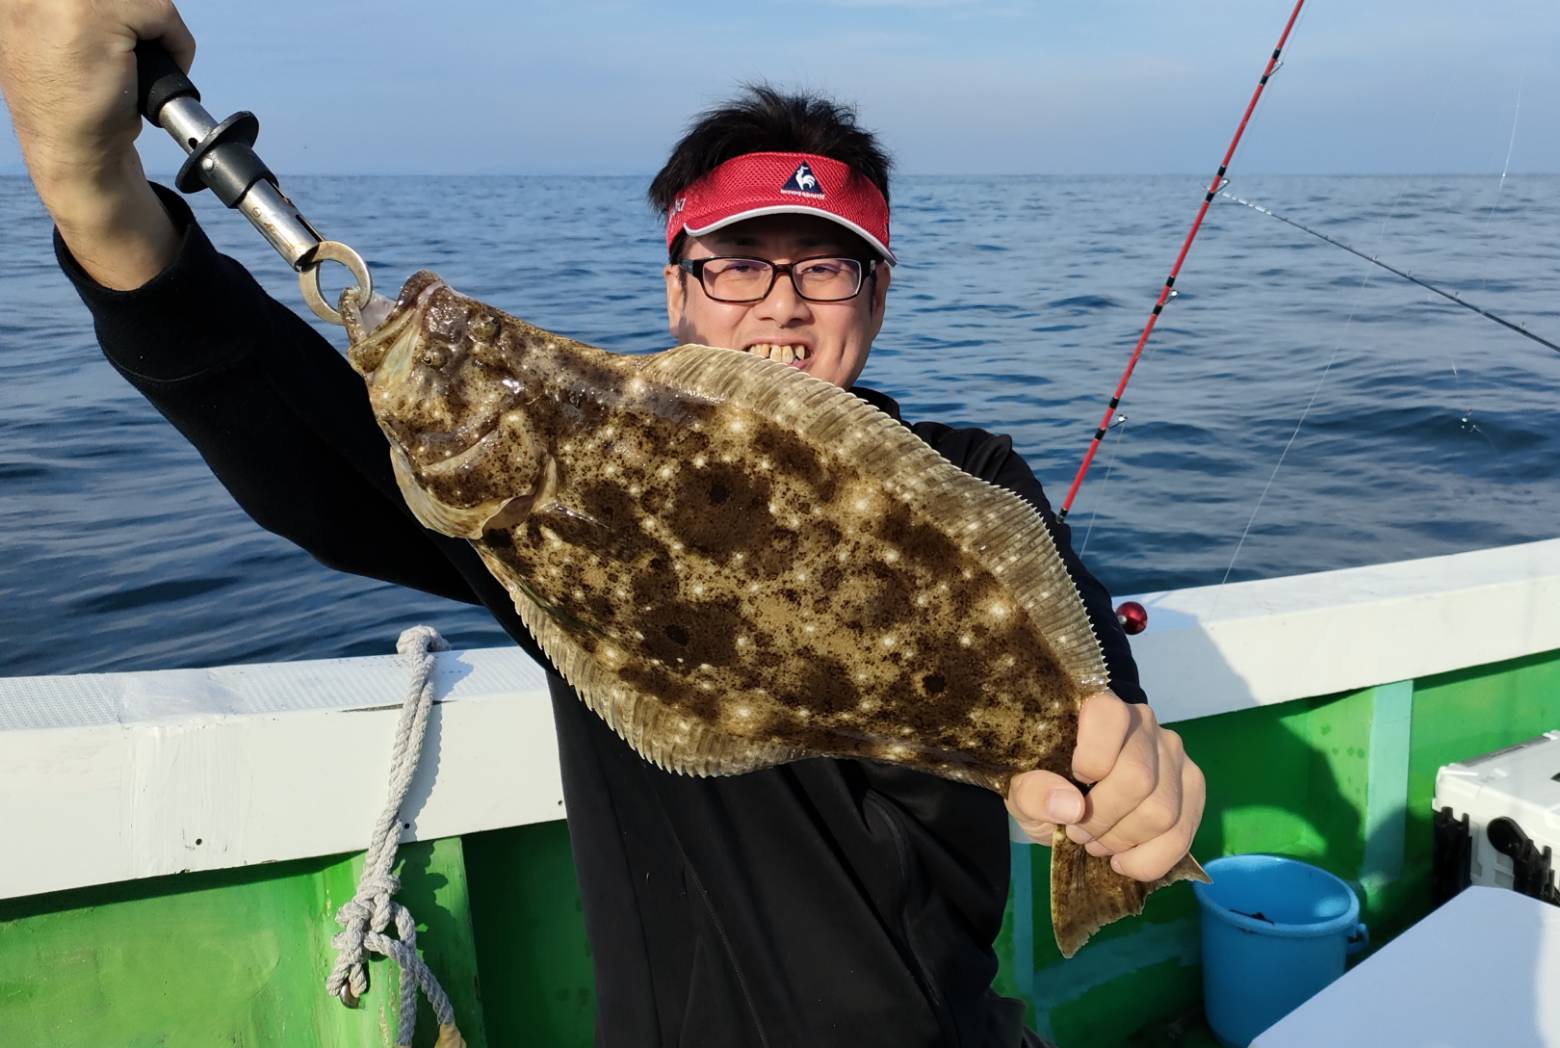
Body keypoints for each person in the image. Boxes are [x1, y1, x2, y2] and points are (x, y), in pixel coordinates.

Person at [0, 4, 1205, 1045]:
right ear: (677, 286)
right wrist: (85, 179)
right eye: (739, 262)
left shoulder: (974, 473)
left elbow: (1086, 673)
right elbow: (294, 434)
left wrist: (1129, 778)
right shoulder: (565, 496)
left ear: (876, 293)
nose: (782, 301)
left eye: (826, 266)